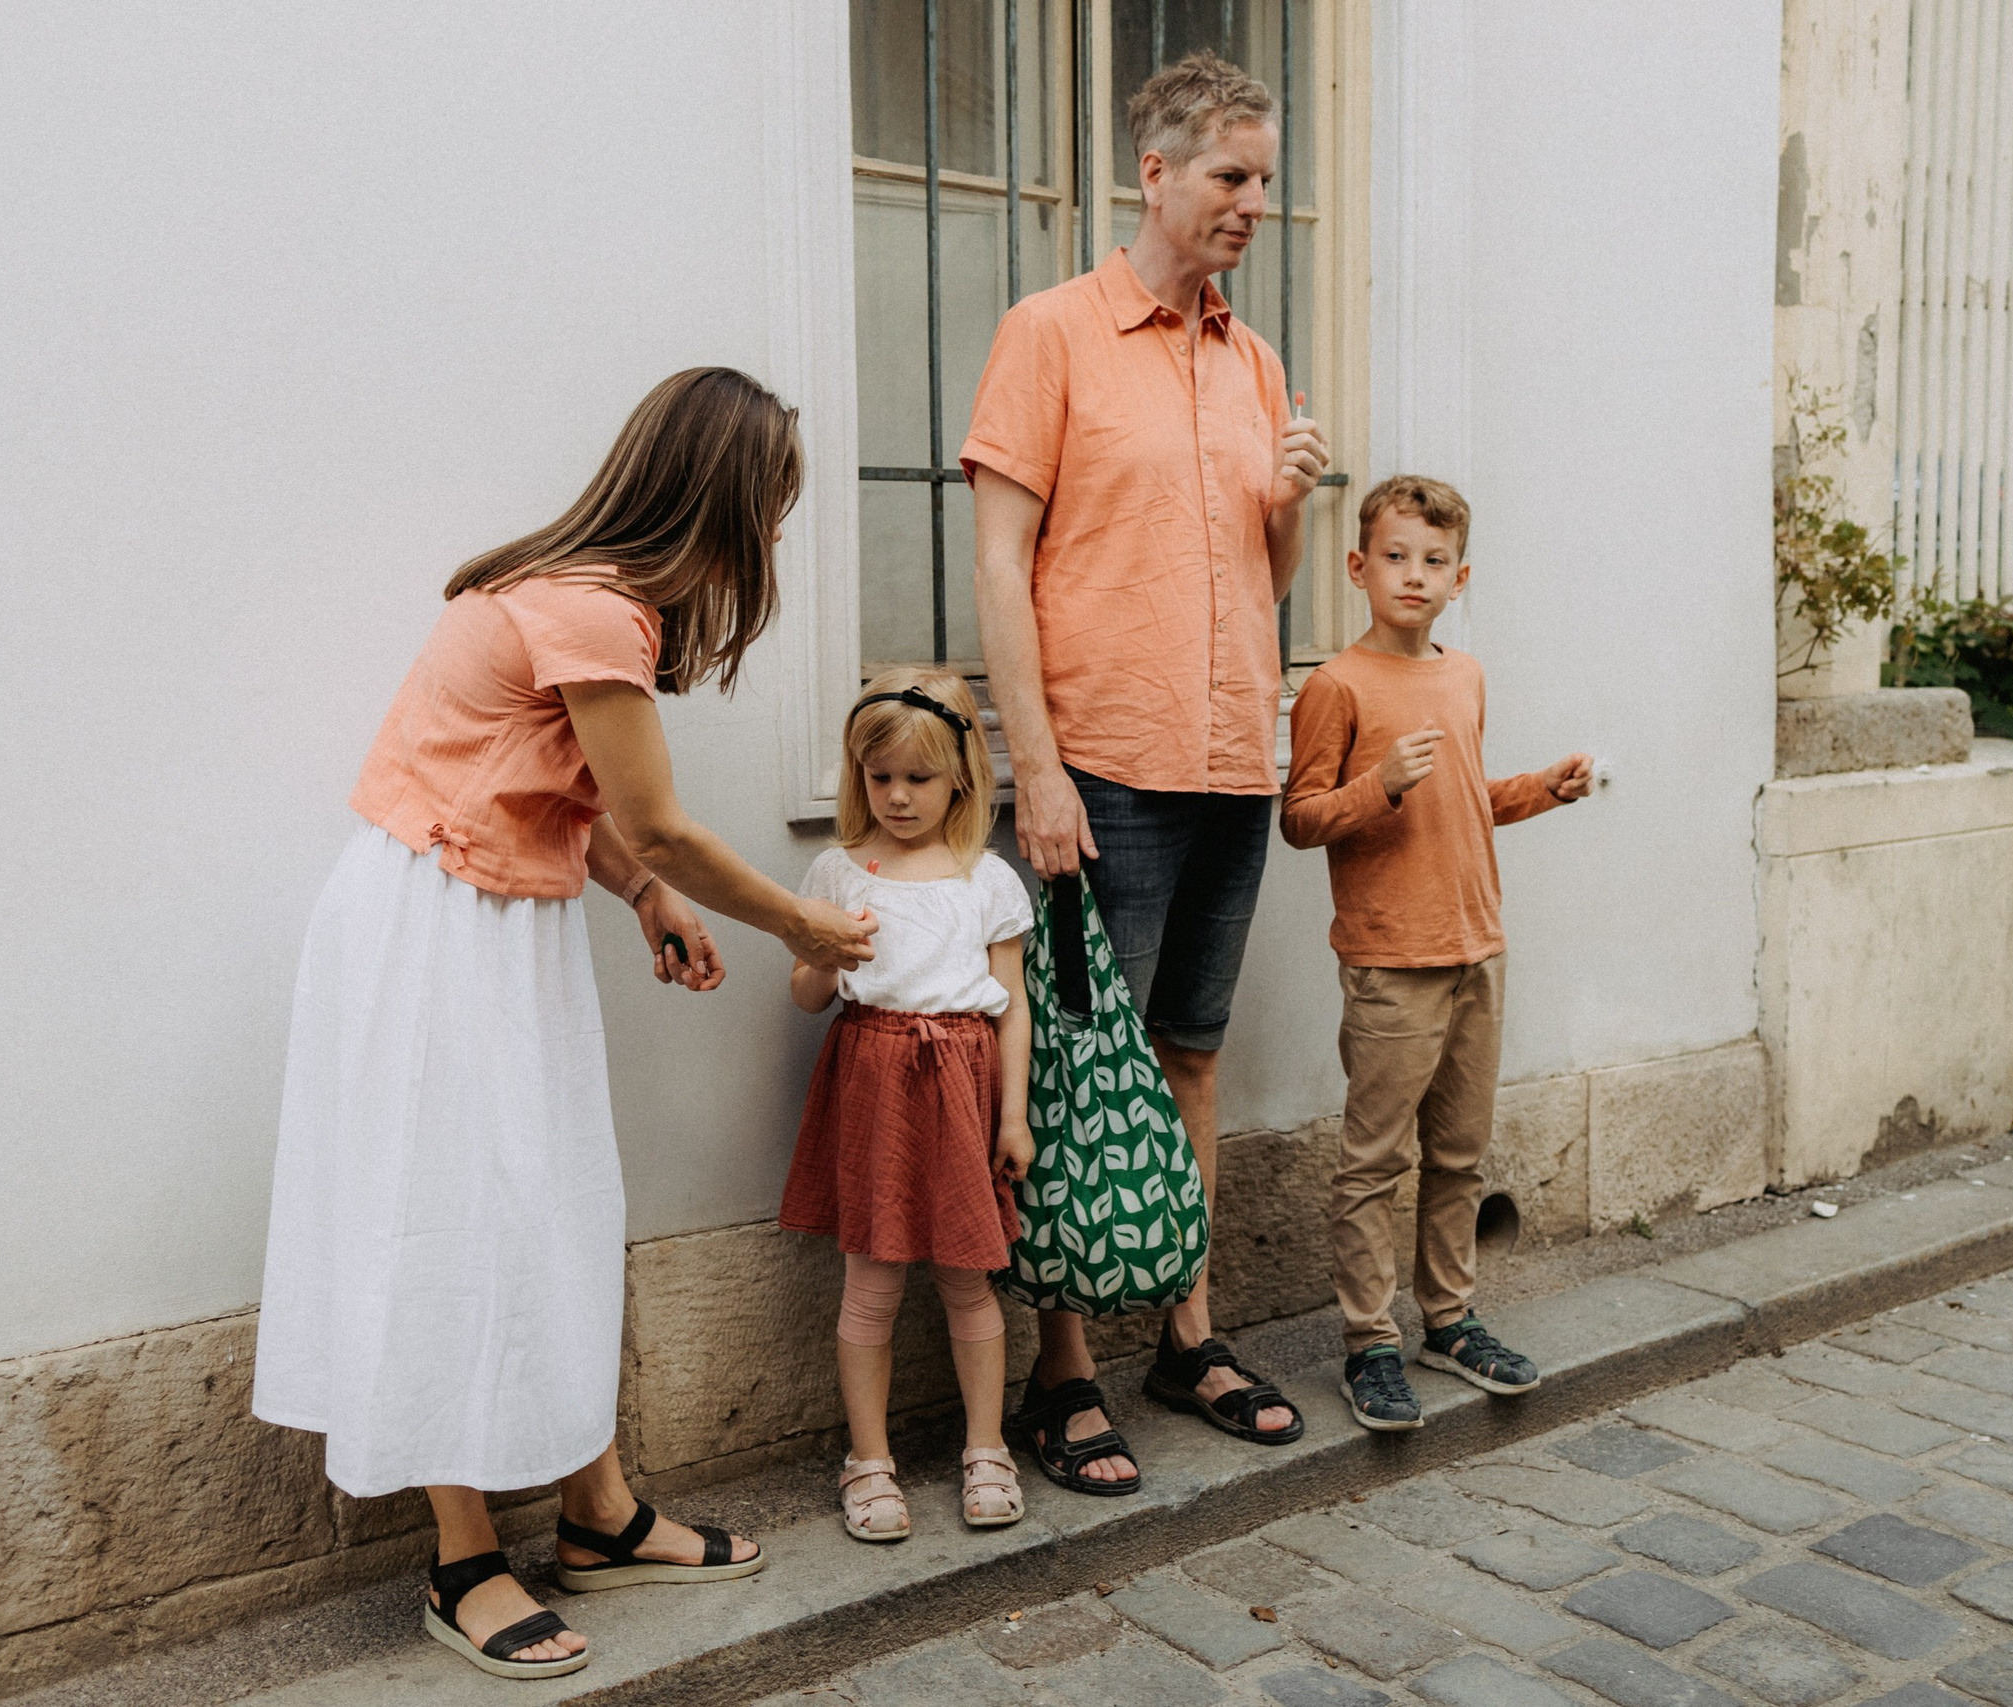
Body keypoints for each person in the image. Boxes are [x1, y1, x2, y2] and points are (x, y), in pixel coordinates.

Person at [252, 367, 877, 1679]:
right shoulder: (595, 610)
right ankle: (464, 1556)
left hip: (488, 920)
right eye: (770, 505)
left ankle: (596, 1512)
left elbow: (563, 798)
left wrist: (646, 893)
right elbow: (649, 811)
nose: (768, 537)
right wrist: (798, 923)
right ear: (719, 494)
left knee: (552, 1206)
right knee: (457, 1220)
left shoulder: (576, 593)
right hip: (436, 932)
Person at [962, 50, 1326, 1493]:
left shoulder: (1254, 359)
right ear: (1157, 174)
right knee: (1070, 1067)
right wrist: (1033, 767)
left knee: (1189, 1053)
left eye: (1265, 181)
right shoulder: (1050, 333)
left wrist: (1292, 509)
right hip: (1100, 763)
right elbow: (1000, 561)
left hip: (1234, 755)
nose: (1253, 204)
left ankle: (1187, 1330)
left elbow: (1266, 569)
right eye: (1234, 177)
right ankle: (1064, 1375)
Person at [1280, 476, 1594, 1431]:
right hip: (1390, 961)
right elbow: (1299, 821)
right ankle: (1369, 1341)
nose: (1411, 576)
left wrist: (1542, 787)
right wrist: (1377, 785)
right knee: (1374, 1160)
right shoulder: (1336, 685)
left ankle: (1447, 1320)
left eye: (1432, 561)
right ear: (1358, 565)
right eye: (1394, 556)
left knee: (1458, 1154)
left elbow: (1463, 799)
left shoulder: (1464, 676)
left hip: (1477, 946)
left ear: (1459, 577)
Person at [781, 669, 1036, 1542]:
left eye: (916, 779)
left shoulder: (986, 878)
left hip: (963, 1083)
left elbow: (1014, 1004)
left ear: (960, 775)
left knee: (970, 1277)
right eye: (878, 776)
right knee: (872, 1278)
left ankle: (986, 1447)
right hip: (874, 1078)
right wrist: (828, 947)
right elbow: (808, 995)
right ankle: (869, 1460)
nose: (895, 795)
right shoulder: (837, 869)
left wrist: (1014, 1118)